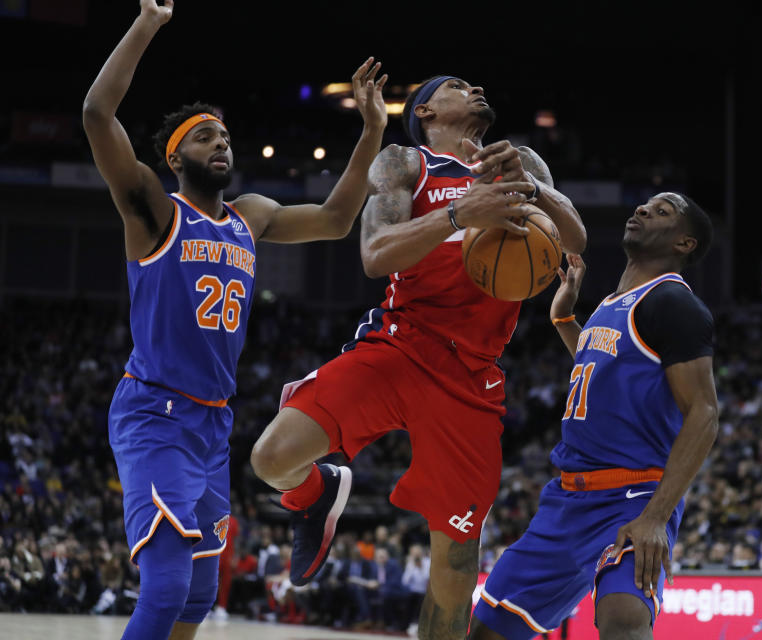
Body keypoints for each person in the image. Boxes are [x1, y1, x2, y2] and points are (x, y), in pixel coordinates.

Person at [81, 2, 387, 638]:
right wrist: (146, 24)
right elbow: (96, 114)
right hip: (156, 414)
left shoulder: (250, 215)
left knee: (196, 595)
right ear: (174, 158)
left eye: (224, 136)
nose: (220, 142)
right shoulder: (154, 214)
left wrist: (370, 133)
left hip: (214, 422)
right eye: (203, 136)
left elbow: (334, 219)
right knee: (165, 589)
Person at [249, 75, 586, 639]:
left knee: (455, 570)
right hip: (401, 343)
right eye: (459, 84)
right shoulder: (405, 163)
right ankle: (317, 494)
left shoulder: (518, 161)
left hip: (472, 375)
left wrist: (532, 188)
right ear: (425, 108)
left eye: (480, 84)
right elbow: (375, 256)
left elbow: (573, 241)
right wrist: (461, 215)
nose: (478, 87)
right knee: (270, 458)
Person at [469, 192, 718, 640]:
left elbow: (704, 413)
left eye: (662, 211)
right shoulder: (610, 303)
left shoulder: (674, 305)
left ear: (684, 244)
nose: (643, 210)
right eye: (645, 205)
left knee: (624, 622)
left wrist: (656, 517)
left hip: (632, 496)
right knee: (488, 632)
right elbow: (604, 370)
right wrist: (565, 319)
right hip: (566, 500)